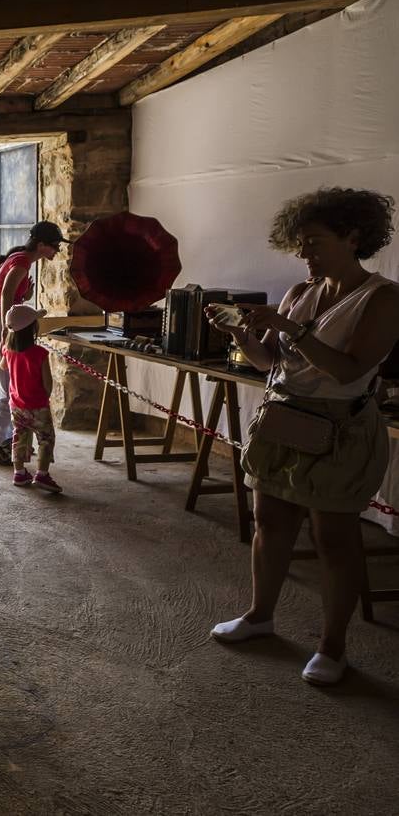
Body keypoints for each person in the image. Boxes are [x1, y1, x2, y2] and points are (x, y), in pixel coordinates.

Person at [206, 188, 398, 686]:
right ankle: (259, 616)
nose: (303, 253)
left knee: (333, 537)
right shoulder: (299, 291)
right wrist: (241, 337)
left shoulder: (382, 298)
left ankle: (333, 648)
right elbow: (270, 364)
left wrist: (292, 329)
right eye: (300, 244)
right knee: (269, 520)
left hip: (340, 427)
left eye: (314, 242)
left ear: (353, 236)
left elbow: (348, 370)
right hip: (284, 418)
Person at [0, 223, 67, 466]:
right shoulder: (22, 262)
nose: (56, 252)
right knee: (8, 393)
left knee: (5, 390)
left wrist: (24, 298)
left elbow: (11, 293)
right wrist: (9, 330)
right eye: (54, 246)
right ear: (41, 245)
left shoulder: (19, 257)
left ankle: (6, 439)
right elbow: (6, 294)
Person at [0, 304, 61, 493]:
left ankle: (19, 472)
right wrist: (45, 397)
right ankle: (42, 474)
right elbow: (47, 384)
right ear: (32, 328)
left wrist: (1, 346)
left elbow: (2, 366)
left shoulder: (9, 351)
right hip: (38, 406)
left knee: (20, 437)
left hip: (16, 405)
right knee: (46, 439)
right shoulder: (40, 353)